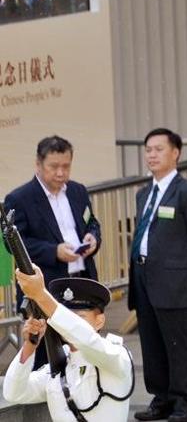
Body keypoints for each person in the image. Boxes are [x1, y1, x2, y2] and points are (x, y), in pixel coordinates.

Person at [128, 128, 187, 422]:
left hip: (174, 281)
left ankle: (185, 402)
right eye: (148, 149)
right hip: (143, 277)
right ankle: (160, 399)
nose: (152, 154)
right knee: (151, 343)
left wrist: (185, 272)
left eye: (158, 149)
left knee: (179, 344)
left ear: (175, 153)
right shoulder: (143, 194)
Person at [4, 135, 101, 370]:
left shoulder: (77, 191)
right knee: (49, 356)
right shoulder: (20, 198)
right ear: (38, 165)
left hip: (82, 282)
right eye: (54, 167)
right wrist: (53, 251)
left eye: (66, 166)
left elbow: (91, 223)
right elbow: (14, 243)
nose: (60, 173)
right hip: (47, 286)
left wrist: (93, 238)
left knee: (85, 347)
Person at [3, 269, 134, 421]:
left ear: (99, 321)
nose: (69, 323)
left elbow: (86, 338)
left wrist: (41, 296)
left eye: (80, 317)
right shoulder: (60, 365)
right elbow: (13, 392)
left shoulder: (115, 355)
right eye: (67, 314)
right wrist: (30, 346)